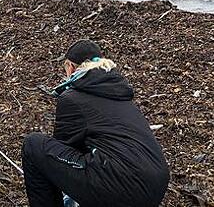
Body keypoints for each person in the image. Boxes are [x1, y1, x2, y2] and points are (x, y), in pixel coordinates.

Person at [22, 40, 170, 207]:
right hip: (156, 186)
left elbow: (62, 153)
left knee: (33, 145)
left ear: (70, 67)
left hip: (122, 187)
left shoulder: (72, 98)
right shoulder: (124, 98)